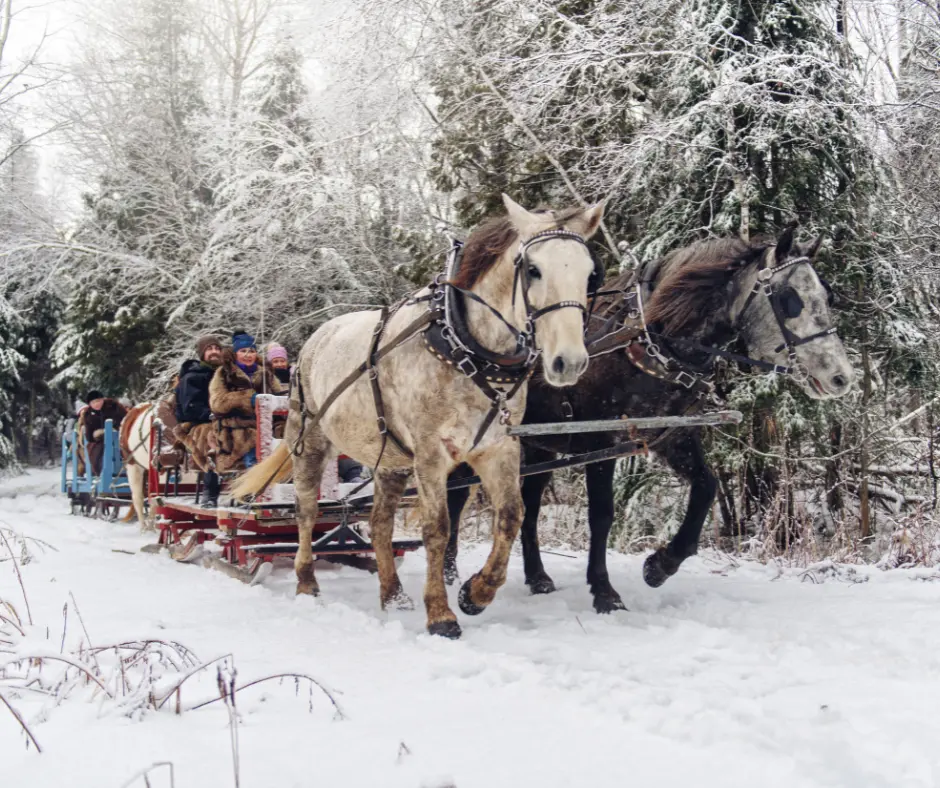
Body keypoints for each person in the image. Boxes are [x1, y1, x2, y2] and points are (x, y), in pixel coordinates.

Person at [209, 331, 284, 473]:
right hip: (235, 425)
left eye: (251, 351)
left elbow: (278, 395)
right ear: (235, 353)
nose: (248, 355)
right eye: (243, 351)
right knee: (251, 441)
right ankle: (254, 487)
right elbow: (217, 402)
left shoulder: (266, 373)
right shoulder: (223, 373)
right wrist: (246, 399)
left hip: (267, 422)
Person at [175, 336, 224, 507]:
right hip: (198, 422)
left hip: (225, 419)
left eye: (217, 348)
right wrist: (210, 414)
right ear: (202, 353)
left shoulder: (227, 373)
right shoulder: (192, 377)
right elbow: (190, 407)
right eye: (210, 349)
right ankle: (210, 491)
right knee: (211, 436)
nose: (214, 352)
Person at [82, 390, 129, 475]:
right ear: (90, 404)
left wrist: (117, 429)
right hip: (99, 441)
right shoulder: (87, 414)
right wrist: (97, 434)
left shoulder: (114, 406)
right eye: (93, 402)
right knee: (97, 453)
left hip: (119, 436)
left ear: (103, 399)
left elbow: (127, 419)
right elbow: (89, 436)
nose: (96, 404)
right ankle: (102, 471)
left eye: (98, 401)